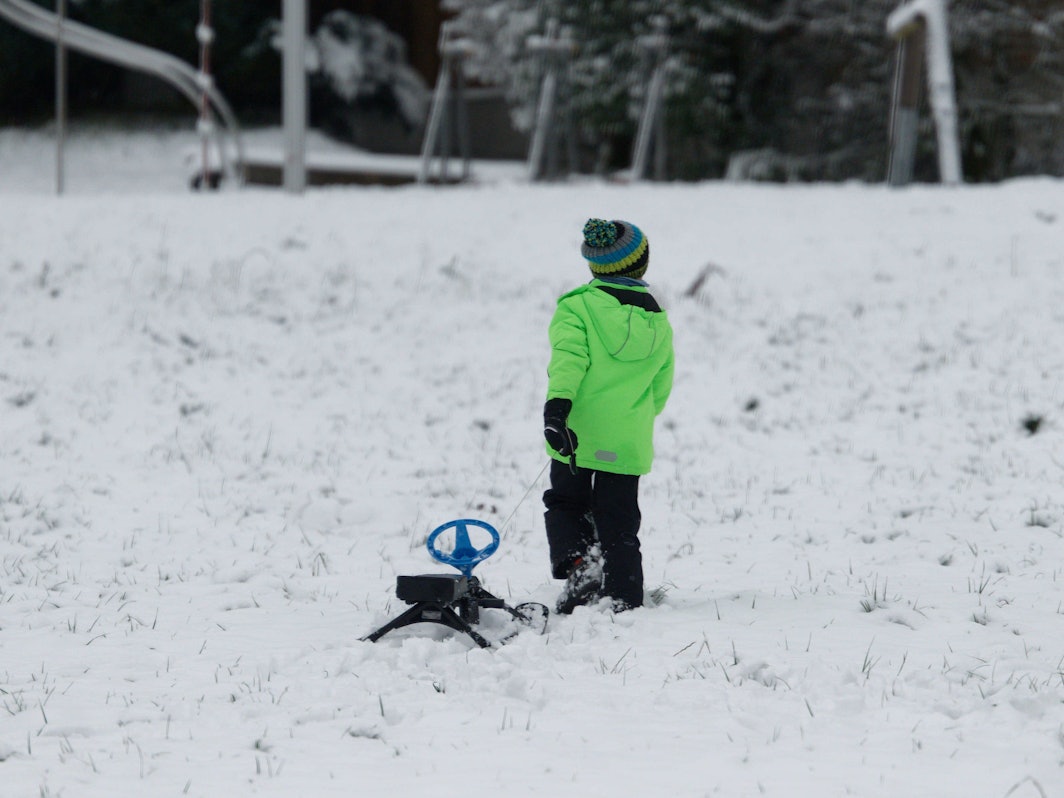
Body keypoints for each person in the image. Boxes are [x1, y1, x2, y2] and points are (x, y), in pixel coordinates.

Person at [542, 218, 675, 614]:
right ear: (642, 264)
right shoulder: (657, 319)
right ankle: (624, 593)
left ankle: (581, 567)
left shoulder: (577, 308)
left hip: (577, 433)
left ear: (594, 264)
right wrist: (635, 418)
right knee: (619, 518)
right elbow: (661, 384)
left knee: (566, 502)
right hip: (628, 438)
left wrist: (557, 407)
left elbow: (569, 361)